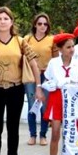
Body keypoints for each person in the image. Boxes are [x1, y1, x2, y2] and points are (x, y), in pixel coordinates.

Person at [0, 6, 44, 155]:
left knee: (13, 127)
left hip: (16, 89)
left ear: (11, 22)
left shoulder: (20, 42)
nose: (2, 22)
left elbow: (34, 65)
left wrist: (38, 87)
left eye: (6, 19)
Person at [42, 33, 78, 155]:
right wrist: (46, 86)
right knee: (55, 133)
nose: (72, 49)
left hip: (73, 99)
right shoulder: (53, 63)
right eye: (68, 47)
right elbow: (48, 80)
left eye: (73, 46)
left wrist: (69, 83)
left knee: (73, 132)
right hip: (57, 98)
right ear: (60, 49)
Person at [24, 13, 56, 146]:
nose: (42, 26)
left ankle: (43, 135)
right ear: (35, 25)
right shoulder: (27, 39)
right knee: (32, 105)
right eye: (40, 23)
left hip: (46, 76)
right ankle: (32, 135)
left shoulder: (52, 40)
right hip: (31, 75)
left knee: (45, 106)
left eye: (45, 24)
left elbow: (55, 60)